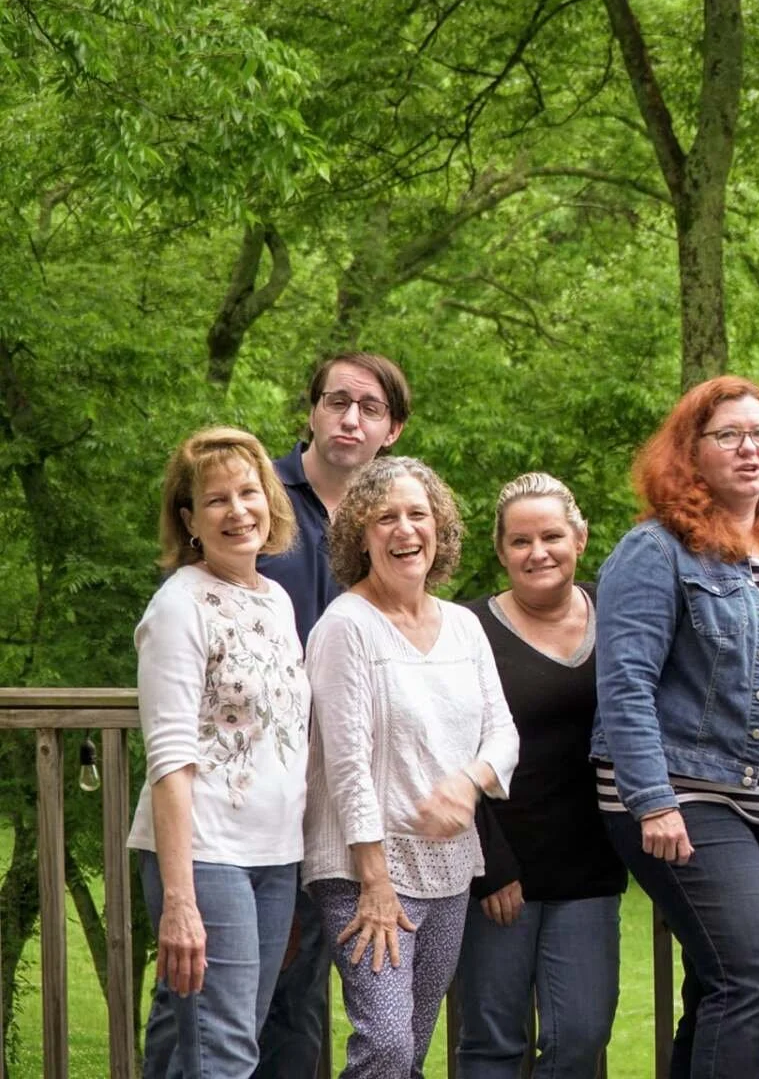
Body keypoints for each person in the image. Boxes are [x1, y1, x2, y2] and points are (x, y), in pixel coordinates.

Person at [593, 375, 759, 1079]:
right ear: (692, 452)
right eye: (729, 436)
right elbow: (625, 683)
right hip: (686, 797)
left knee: (721, 984)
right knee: (748, 976)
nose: (752, 448)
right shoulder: (656, 550)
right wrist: (653, 799)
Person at [303, 456, 519, 1079]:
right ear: (359, 536)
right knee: (387, 1047)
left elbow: (502, 734)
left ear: (439, 529)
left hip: (450, 868)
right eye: (385, 518)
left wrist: (469, 780)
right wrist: (373, 880)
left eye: (417, 515)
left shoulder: (464, 626)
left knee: (410, 1051)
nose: (405, 530)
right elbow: (345, 767)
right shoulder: (346, 627)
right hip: (362, 869)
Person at [131, 427, 308, 1079]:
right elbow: (171, 759)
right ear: (189, 520)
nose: (238, 512)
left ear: (269, 500)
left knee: (189, 1045)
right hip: (205, 855)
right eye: (216, 501)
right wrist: (180, 901)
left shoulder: (277, 600)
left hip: (273, 856)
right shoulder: (178, 607)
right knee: (226, 1053)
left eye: (248, 492)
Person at [255, 351, 411, 1079]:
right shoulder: (259, 499)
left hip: (352, 789)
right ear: (312, 412)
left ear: (393, 430)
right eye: (336, 401)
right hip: (259, 785)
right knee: (250, 987)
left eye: (370, 407)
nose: (350, 418)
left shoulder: (397, 520)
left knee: (313, 996)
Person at [456, 474, 625, 1078]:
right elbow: (445, 753)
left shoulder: (621, 614)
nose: (538, 552)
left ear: (579, 537)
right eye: (520, 541)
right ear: (500, 551)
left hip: (591, 871)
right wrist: (492, 867)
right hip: (499, 873)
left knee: (581, 1040)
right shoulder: (466, 629)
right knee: (493, 1044)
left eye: (552, 536)